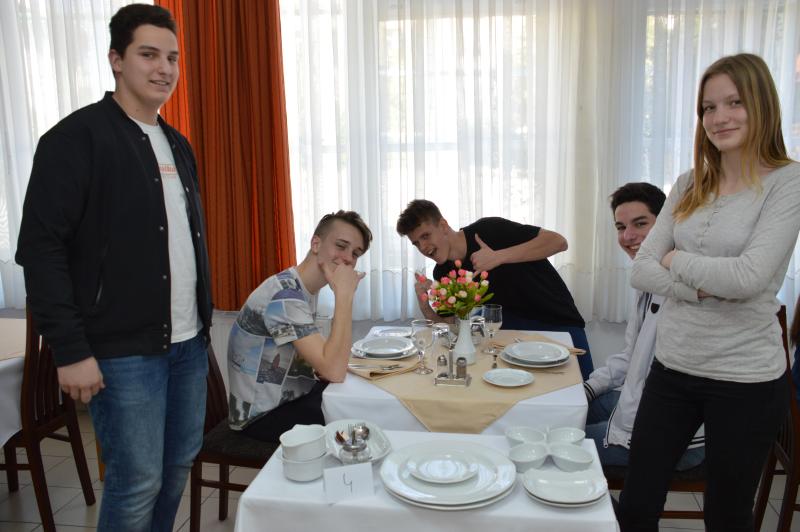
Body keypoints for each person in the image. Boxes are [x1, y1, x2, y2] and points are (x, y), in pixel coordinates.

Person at [15, 5, 212, 531]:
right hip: (122, 352)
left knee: (176, 468)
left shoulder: (177, 144)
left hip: (187, 345)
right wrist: (70, 350)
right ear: (116, 60)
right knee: (137, 481)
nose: (164, 68)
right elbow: (41, 250)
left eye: (172, 57)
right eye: (149, 54)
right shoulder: (74, 140)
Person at [618, 53, 800, 531]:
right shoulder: (688, 183)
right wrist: (701, 290)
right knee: (635, 505)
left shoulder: (788, 182)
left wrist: (674, 260)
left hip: (746, 379)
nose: (719, 118)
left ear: (762, 104)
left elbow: (748, 279)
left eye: (734, 102)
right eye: (708, 108)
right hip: (673, 367)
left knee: (726, 517)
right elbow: (641, 270)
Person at [396, 200, 593, 378]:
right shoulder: (443, 272)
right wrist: (425, 306)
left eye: (425, 236)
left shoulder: (488, 230)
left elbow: (559, 242)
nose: (423, 247)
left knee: (584, 395)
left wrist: (498, 256)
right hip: (509, 337)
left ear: (443, 225)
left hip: (558, 324)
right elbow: (453, 327)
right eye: (416, 243)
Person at [584, 182, 704, 468]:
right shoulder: (647, 278)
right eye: (620, 227)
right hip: (645, 407)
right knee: (570, 412)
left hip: (679, 435)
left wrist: (619, 425)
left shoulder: (682, 283)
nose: (628, 236)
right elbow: (631, 356)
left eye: (640, 224)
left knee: (561, 443)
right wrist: (588, 388)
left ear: (666, 225)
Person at [227, 211, 371, 441]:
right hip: (261, 416)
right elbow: (333, 370)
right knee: (359, 424)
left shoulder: (301, 287)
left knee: (362, 400)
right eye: (341, 246)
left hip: (295, 397)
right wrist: (344, 296)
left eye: (355, 253)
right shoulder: (284, 297)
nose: (347, 259)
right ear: (316, 244)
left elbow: (326, 360)